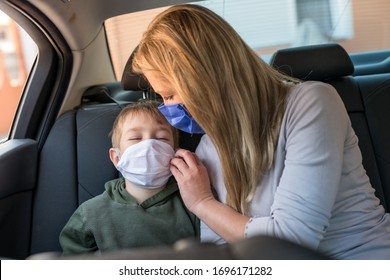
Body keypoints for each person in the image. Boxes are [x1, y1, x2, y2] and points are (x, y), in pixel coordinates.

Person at [130, 4, 390, 259]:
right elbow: (225, 252)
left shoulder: (312, 102)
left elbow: (290, 241)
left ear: (202, 81)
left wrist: (202, 204)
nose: (167, 107)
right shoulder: (208, 148)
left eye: (170, 94)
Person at [59, 102, 199, 255]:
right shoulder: (90, 213)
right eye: (136, 138)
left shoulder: (193, 204)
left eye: (161, 138)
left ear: (175, 153)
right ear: (116, 157)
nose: (149, 145)